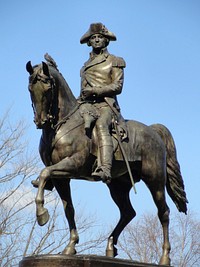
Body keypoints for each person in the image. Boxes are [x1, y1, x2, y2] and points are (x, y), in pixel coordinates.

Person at [79, 22, 126, 184]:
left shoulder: (115, 61)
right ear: (89, 42)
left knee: (101, 125)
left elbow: (117, 86)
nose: (97, 40)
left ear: (106, 41)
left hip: (107, 105)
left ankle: (105, 167)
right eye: (94, 38)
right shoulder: (85, 67)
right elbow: (83, 91)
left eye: (100, 37)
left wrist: (95, 91)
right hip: (87, 105)